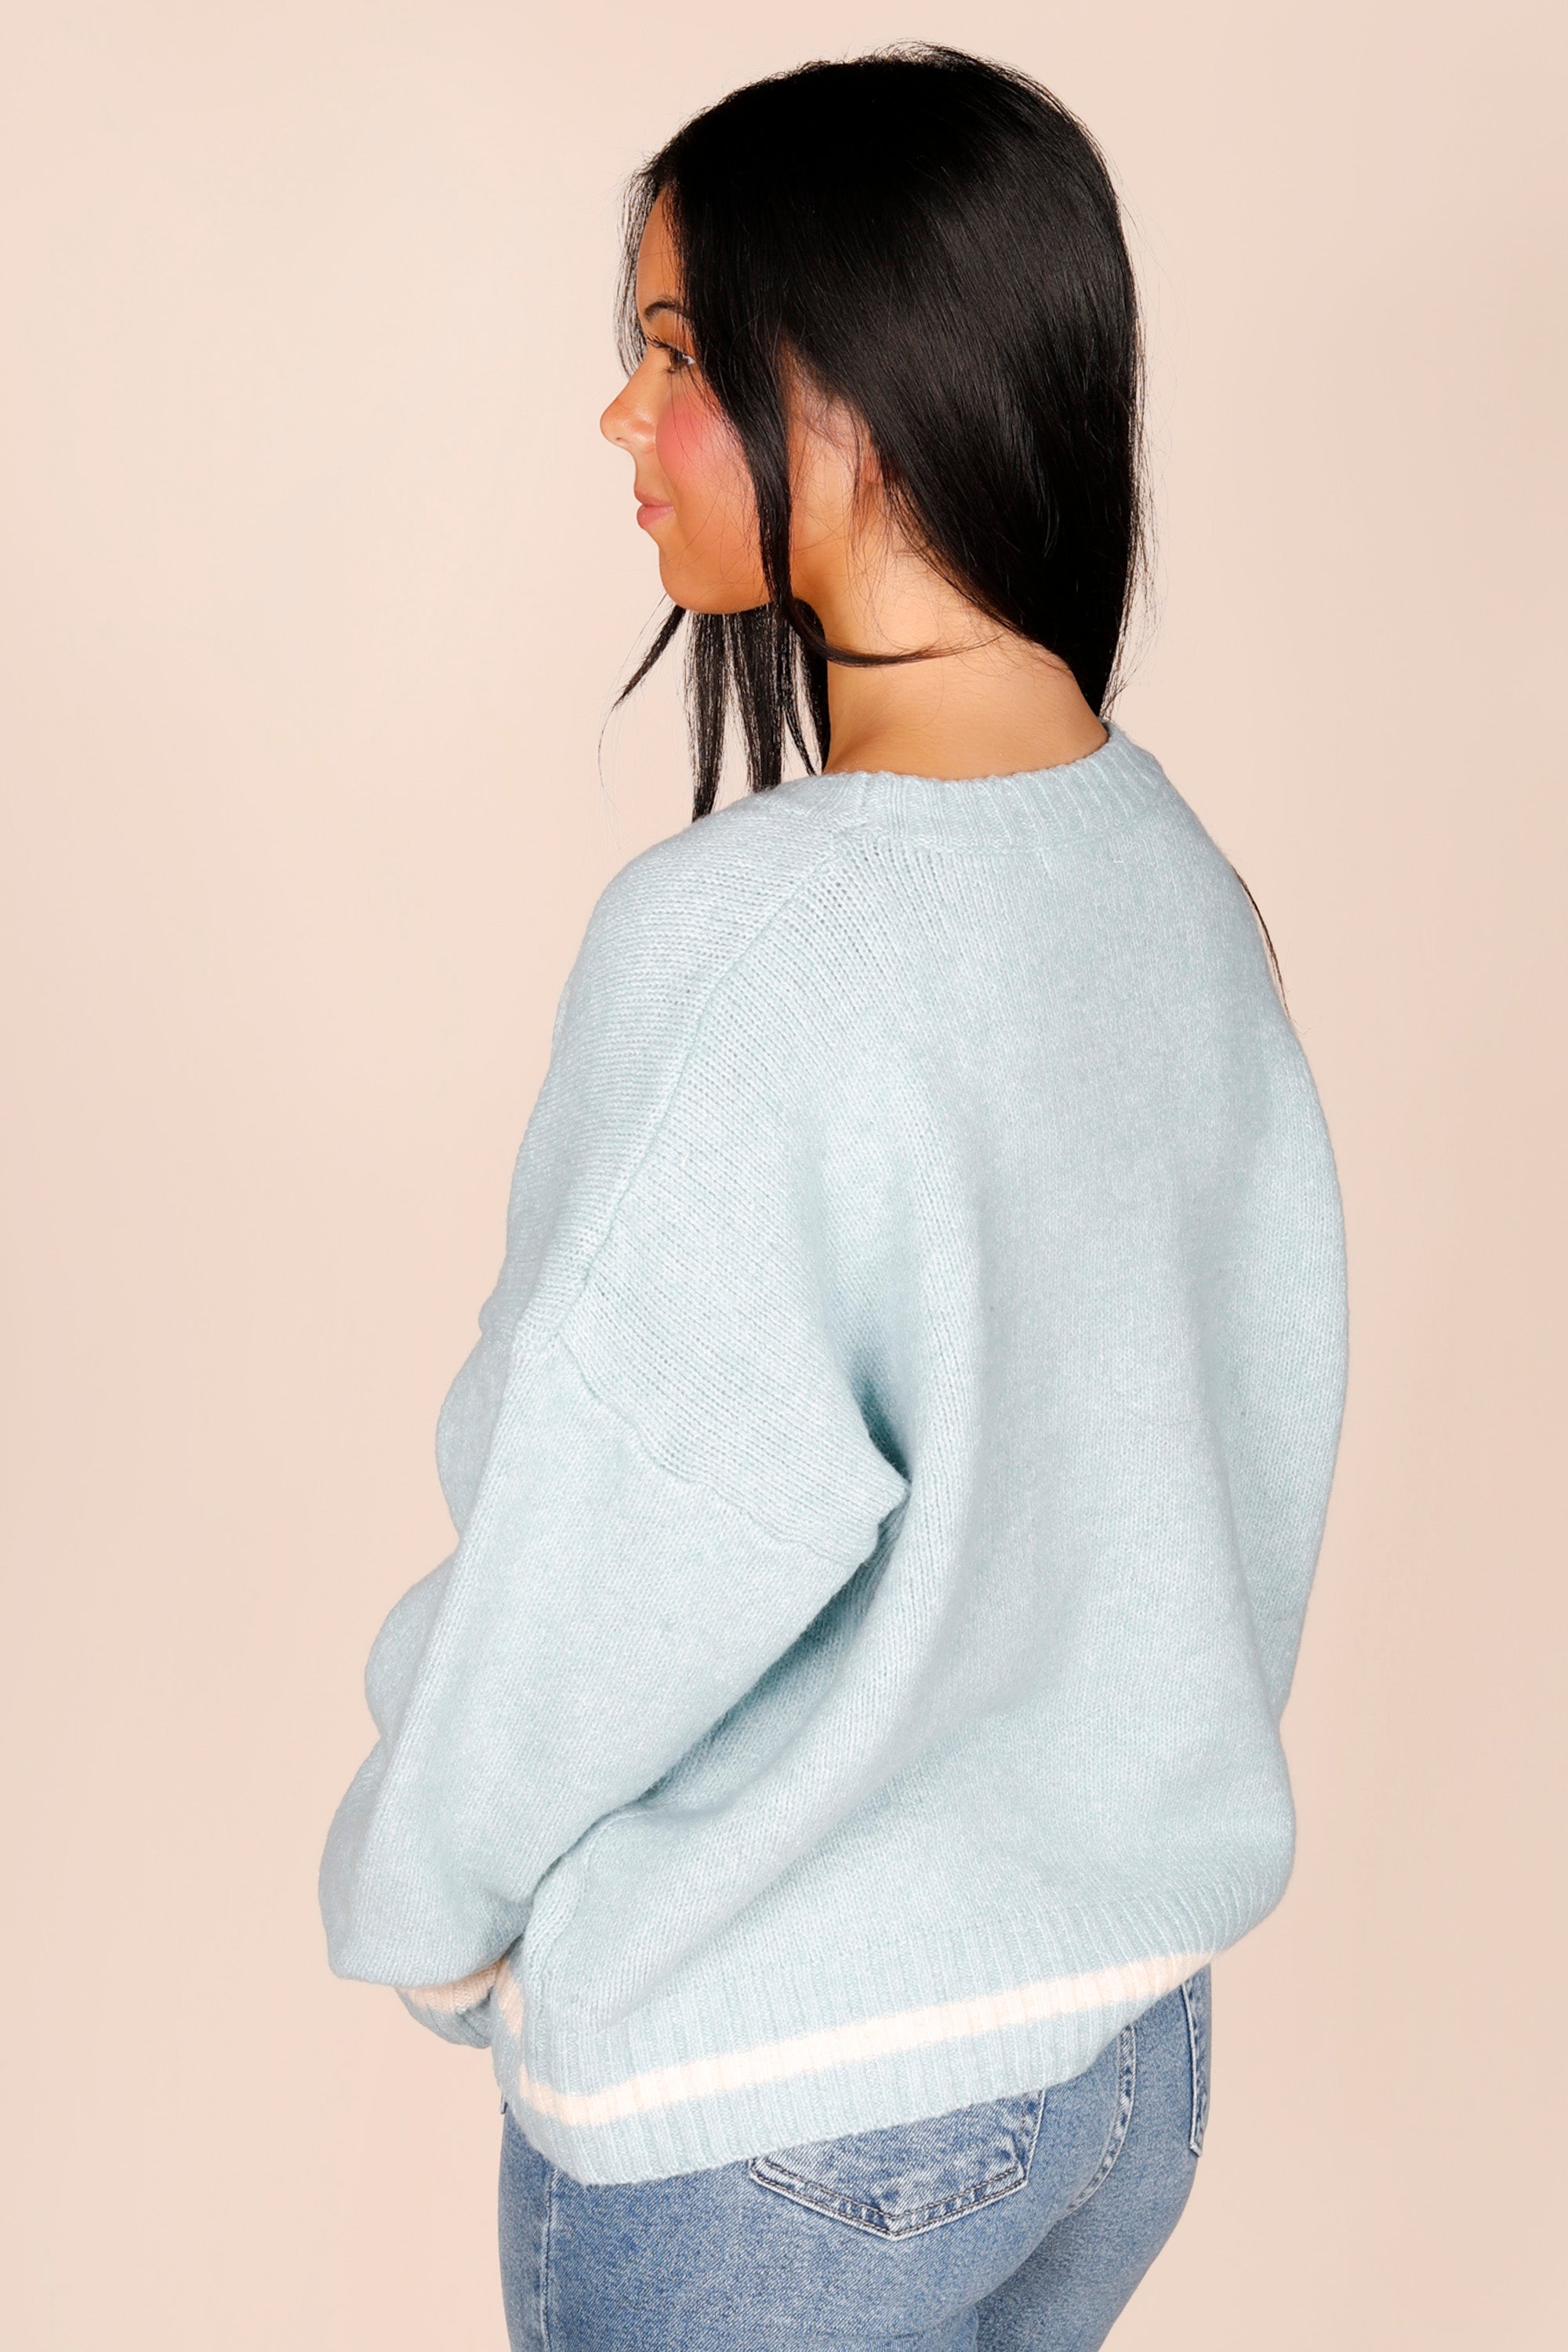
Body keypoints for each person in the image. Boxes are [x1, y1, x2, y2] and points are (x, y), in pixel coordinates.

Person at [319, 45, 1347, 2350]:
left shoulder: (749, 947)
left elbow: (613, 1525)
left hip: (780, 2108)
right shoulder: (1181, 889)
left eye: (677, 355)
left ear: (860, 396)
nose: (622, 418)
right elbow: (1224, 1459)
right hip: (1118, 2062)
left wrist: (432, 1898)